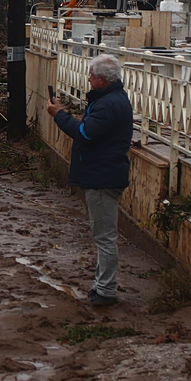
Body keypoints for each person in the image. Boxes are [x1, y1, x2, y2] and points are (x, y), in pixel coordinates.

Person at [47, 54, 134, 306]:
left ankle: (105, 290)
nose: (88, 79)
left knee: (104, 236)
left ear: (103, 79)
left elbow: (85, 133)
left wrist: (59, 115)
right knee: (103, 234)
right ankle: (102, 285)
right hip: (104, 173)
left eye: (92, 76)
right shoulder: (112, 99)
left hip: (102, 177)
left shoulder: (107, 104)